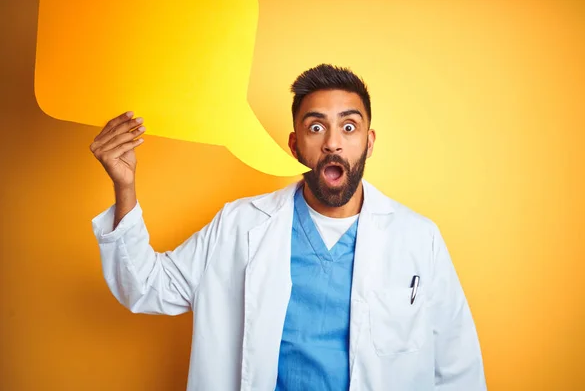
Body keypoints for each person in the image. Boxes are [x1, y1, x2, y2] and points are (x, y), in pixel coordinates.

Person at [89, 64, 487, 390]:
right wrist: (125, 186)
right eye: (317, 127)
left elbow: (457, 369)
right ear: (295, 145)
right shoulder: (240, 225)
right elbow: (145, 287)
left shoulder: (417, 238)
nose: (333, 142)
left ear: (369, 142)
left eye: (349, 127)